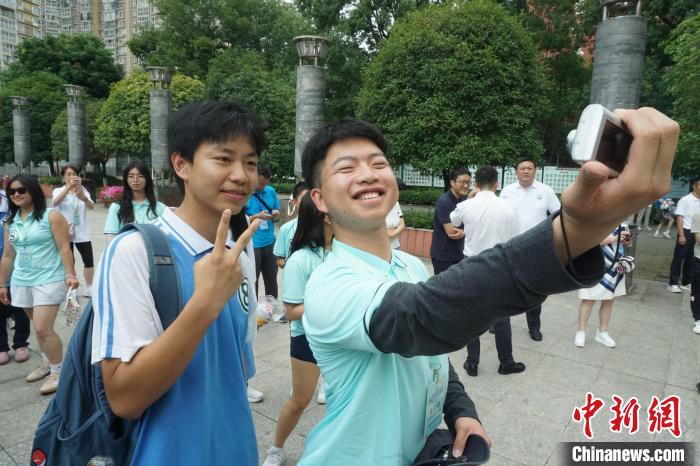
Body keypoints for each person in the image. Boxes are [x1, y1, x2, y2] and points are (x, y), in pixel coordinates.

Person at [297, 108, 677, 466]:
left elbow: (429, 357)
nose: (368, 174)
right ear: (320, 199)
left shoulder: (409, 265)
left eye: (378, 163)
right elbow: (422, 318)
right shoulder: (328, 286)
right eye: (347, 168)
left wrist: (460, 411)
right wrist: (573, 231)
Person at [92, 101, 263, 465]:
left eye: (250, 163)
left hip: (236, 450)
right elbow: (124, 398)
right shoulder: (134, 251)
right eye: (223, 159)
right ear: (181, 164)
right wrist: (205, 303)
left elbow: (237, 372)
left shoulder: (239, 255)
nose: (241, 175)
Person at [263, 194, 333, 466]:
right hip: (308, 338)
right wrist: (333, 303)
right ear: (323, 216)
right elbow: (291, 312)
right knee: (300, 400)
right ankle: (276, 448)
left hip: (342, 336)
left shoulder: (345, 252)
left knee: (344, 399)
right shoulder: (300, 259)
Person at [0, 175, 79, 395]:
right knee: (38, 327)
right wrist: (2, 284)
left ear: (33, 191)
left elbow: (64, 247)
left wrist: (71, 274)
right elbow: (8, 255)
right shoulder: (10, 221)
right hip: (22, 280)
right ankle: (47, 363)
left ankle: (59, 372)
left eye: (21, 190)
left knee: (44, 328)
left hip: (49, 279)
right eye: (12, 191)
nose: (16, 194)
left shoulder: (51, 215)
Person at [450, 166, 524, 377]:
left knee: (472, 314)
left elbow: (454, 220)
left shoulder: (466, 205)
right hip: (499, 264)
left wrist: (470, 198)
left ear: (475, 183)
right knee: (502, 315)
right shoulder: (509, 207)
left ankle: (472, 362)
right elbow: (516, 236)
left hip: (472, 264)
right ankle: (506, 361)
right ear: (496, 184)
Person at [500, 157, 561, 341]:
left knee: (536, 288)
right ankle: (499, 322)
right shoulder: (507, 191)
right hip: (511, 246)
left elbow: (559, 215)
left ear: (535, 171)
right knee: (504, 287)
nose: (526, 171)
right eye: (522, 168)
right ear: (516, 172)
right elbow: (499, 215)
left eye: (529, 168)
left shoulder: (545, 191)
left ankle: (534, 326)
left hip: (537, 248)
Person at [574, 225, 632, 348]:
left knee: (609, 301)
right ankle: (581, 331)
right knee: (588, 299)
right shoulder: (597, 219)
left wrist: (626, 240)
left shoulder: (623, 223)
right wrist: (615, 238)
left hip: (615, 265)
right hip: (595, 263)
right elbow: (589, 241)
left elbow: (625, 243)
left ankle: (602, 332)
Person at [52, 165, 95, 297]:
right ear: (63, 177)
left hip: (82, 231)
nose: (72, 176)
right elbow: (55, 202)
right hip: (65, 232)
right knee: (70, 261)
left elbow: (91, 206)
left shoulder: (82, 190)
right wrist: (68, 188)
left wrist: (83, 197)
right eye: (68, 174)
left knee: (88, 260)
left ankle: (89, 287)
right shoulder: (59, 190)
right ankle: (73, 288)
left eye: (74, 174)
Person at [0, 180, 30, 365]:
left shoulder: (11, 200)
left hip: (15, 264)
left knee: (19, 307)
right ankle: (1, 347)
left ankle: (20, 343)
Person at [103, 160, 166, 241]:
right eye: (131, 176)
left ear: (147, 179)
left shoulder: (160, 208)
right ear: (126, 180)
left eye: (140, 176)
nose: (135, 179)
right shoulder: (116, 207)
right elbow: (111, 238)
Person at [246, 164, 281, 298]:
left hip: (270, 242)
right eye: (260, 183)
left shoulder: (270, 191)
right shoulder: (246, 193)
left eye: (265, 183)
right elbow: (240, 221)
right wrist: (257, 216)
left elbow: (277, 212)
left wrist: (276, 213)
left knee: (272, 280)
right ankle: (253, 309)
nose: (262, 186)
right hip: (253, 244)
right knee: (252, 281)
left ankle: (271, 307)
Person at [429, 167, 471, 274]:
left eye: (468, 182)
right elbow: (452, 232)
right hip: (444, 256)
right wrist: (467, 232)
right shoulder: (444, 202)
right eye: (462, 182)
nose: (466, 185)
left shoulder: (465, 199)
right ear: (452, 182)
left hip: (460, 253)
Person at [667, 178, 700, 293]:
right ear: (694, 186)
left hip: (696, 232)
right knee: (679, 258)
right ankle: (673, 283)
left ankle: (686, 282)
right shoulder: (685, 200)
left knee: (691, 259)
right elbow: (679, 218)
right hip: (686, 231)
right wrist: (681, 235)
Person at [273, 181, 310, 268]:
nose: (310, 203)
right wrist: (291, 266)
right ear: (294, 202)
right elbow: (280, 259)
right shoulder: (285, 229)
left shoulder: (324, 228)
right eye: (305, 199)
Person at [689, 212, 700, 334]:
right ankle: (698, 319)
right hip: (699, 259)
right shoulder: (698, 215)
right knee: (697, 291)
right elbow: (698, 239)